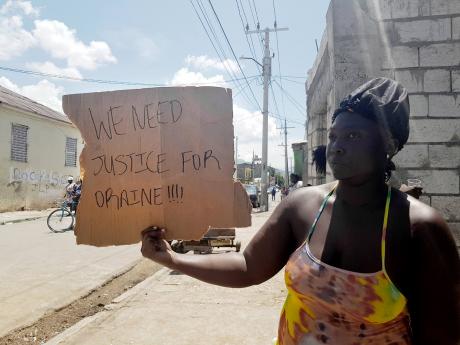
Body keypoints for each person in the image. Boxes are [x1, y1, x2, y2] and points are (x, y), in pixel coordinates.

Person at [141, 78, 460, 344]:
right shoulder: (302, 207)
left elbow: (443, 336)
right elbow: (248, 266)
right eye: (334, 135)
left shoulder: (418, 229)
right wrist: (172, 259)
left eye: (353, 136)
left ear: (388, 145)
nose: (337, 146)